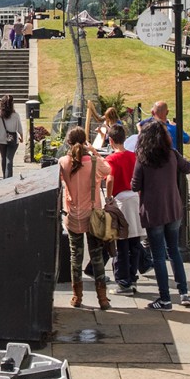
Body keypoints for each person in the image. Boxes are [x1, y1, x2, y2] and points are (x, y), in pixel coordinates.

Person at [131, 119, 190, 310]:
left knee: (158, 255)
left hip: (154, 211)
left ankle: (165, 299)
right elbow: (188, 168)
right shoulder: (172, 154)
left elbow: (135, 185)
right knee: (173, 251)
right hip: (173, 208)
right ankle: (184, 293)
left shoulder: (143, 158)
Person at [59, 126, 112, 310]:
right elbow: (108, 170)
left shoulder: (64, 162)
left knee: (76, 257)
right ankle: (102, 298)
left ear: (68, 142)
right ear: (84, 142)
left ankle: (77, 296)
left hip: (73, 215)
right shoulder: (94, 163)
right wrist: (94, 151)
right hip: (93, 215)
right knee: (96, 256)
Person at [103, 124, 142, 296]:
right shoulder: (134, 156)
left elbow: (110, 178)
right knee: (135, 242)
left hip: (121, 201)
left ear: (110, 140)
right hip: (135, 198)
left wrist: (108, 197)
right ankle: (132, 278)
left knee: (121, 243)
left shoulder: (111, 159)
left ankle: (123, 282)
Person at [0, 94, 24, 179]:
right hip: (13, 140)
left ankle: (6, 178)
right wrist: (21, 137)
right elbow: (20, 128)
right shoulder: (15, 115)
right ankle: (8, 178)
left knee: (5, 159)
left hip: (1, 140)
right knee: (8, 160)